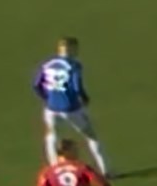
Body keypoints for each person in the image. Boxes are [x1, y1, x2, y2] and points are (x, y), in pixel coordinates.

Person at [34, 36, 109, 176]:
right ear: (72, 49)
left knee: (51, 135)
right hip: (71, 108)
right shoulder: (74, 65)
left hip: (51, 108)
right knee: (91, 136)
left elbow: (36, 85)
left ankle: (55, 169)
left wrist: (47, 97)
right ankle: (105, 171)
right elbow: (76, 86)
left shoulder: (48, 64)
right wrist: (84, 98)